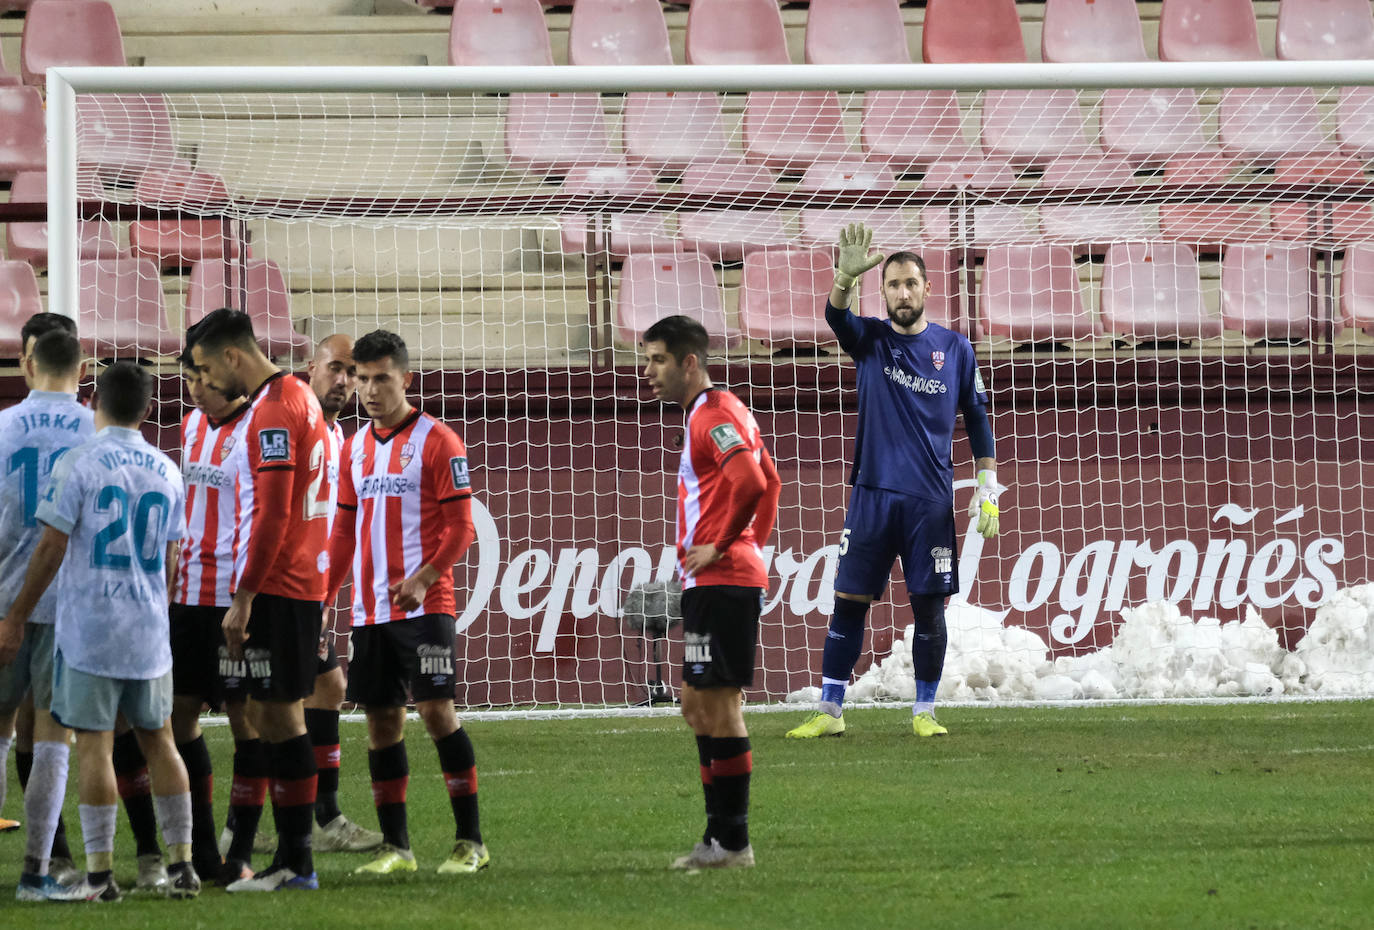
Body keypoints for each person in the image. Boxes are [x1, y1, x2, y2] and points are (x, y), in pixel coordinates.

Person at [785, 223, 1004, 740]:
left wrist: (988, 486)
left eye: (910, 283)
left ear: (928, 289)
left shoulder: (954, 349)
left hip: (930, 500)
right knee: (848, 601)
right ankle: (830, 710)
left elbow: (976, 417)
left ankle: (924, 712)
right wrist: (842, 279)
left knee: (929, 610)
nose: (902, 293)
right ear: (881, 292)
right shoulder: (870, 340)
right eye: (892, 285)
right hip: (871, 497)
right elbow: (835, 316)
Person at [1, 360, 199, 902]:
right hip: (149, 630)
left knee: (94, 748)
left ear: (95, 403)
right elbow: (173, 557)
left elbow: (51, 547)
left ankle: (100, 874)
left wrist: (17, 613)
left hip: (91, 631)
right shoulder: (167, 469)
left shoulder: (79, 462)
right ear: (148, 409)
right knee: (161, 742)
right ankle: (182, 866)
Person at [325, 329, 488, 876]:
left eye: (380, 379)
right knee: (380, 723)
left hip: (424, 607)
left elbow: (462, 528)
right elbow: (344, 530)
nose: (368, 390)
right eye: (360, 378)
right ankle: (399, 848)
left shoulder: (439, 441)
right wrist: (327, 597)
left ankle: (471, 843)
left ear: (406, 378)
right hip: (370, 612)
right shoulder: (355, 447)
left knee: (437, 712)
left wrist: (423, 578)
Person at [190, 308, 332, 893]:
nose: (202, 379)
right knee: (275, 718)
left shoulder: (274, 409)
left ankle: (297, 863)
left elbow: (273, 513)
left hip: (279, 583)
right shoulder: (299, 395)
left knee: (279, 719)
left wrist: (243, 596)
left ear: (232, 357)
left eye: (203, 366)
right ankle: (292, 860)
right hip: (298, 580)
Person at [641, 315, 781, 871]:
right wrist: (751, 544)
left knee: (717, 708)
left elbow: (750, 481)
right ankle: (717, 839)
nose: (647, 372)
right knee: (696, 704)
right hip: (717, 580)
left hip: (722, 580)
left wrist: (725, 546)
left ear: (688, 362)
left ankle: (733, 845)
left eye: (656, 360)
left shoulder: (713, 416)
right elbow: (769, 480)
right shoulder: (721, 410)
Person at [0, 325, 94, 899]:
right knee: (55, 739)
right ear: (82, 370)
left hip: (3, 601)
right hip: (71, 609)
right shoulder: (97, 432)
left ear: (27, 365)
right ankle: (37, 874)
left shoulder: (1, 428)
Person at [169, 330, 254, 883]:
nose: (196, 389)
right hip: (186, 598)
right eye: (189, 379)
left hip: (232, 600)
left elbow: (258, 519)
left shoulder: (256, 430)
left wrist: (246, 598)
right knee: (178, 721)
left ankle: (240, 849)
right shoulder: (191, 424)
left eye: (202, 377)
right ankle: (203, 850)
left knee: (250, 724)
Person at [302, 334, 382, 854]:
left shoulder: (339, 438)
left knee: (322, 691)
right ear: (310, 367)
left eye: (351, 373)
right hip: (283, 586)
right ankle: (319, 818)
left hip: (311, 588)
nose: (344, 381)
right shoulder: (293, 420)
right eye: (335, 367)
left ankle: (316, 817)